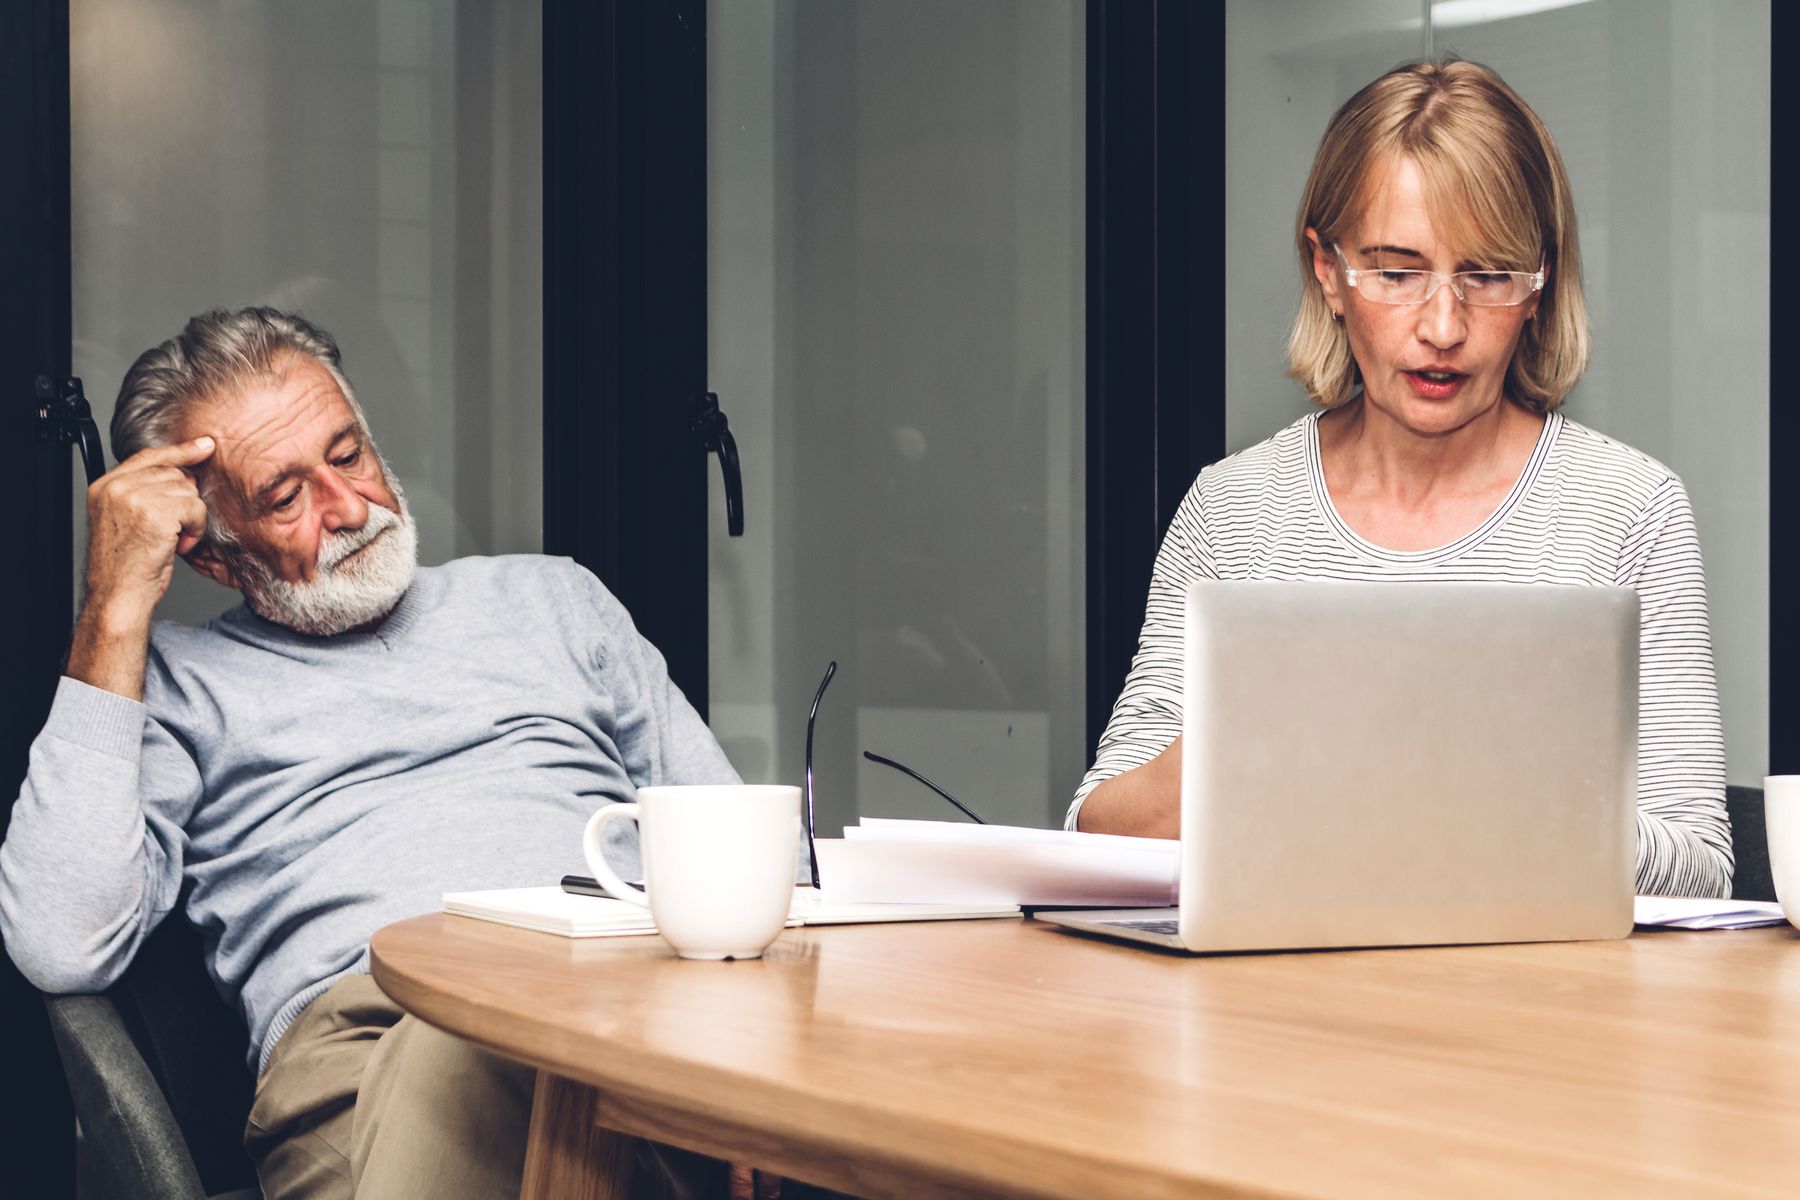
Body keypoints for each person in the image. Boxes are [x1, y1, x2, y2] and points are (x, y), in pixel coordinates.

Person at [0, 308, 755, 1198]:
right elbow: (61, 941)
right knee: (469, 1046)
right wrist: (116, 605)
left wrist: (748, 1066)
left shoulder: (552, 599)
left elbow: (742, 856)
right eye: (286, 497)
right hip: (373, 1047)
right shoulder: (173, 685)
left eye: (347, 454)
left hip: (629, 1020)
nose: (351, 508)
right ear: (214, 557)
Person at [1068, 59, 1732, 899]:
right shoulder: (1233, 510)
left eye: (1488, 275)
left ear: (1540, 286)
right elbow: (1098, 831)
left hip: (1540, 1016)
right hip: (1274, 1012)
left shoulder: (1629, 511)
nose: (1444, 327)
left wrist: (1485, 786)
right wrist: (1268, 736)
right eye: (1395, 271)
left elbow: (1703, 873)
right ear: (1327, 272)